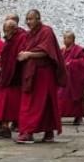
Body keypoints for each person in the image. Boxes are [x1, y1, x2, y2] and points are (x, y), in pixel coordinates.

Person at [16, 9, 67, 144]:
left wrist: (28, 54)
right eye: (27, 19)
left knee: (42, 102)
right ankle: (45, 131)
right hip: (31, 73)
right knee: (31, 102)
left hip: (44, 73)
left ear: (38, 19)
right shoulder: (29, 35)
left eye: (31, 19)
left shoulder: (46, 31)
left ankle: (29, 132)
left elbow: (47, 51)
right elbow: (24, 48)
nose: (28, 22)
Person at [0, 19, 27, 139]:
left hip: (16, 77)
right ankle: (5, 128)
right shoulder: (9, 39)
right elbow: (6, 52)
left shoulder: (22, 37)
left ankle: (20, 126)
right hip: (7, 76)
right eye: (4, 30)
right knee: (3, 103)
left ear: (14, 29)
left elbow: (20, 54)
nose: (5, 33)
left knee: (15, 104)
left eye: (7, 30)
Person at [58, 31, 84, 125]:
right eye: (64, 38)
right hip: (64, 79)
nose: (65, 40)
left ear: (72, 39)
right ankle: (58, 115)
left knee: (76, 98)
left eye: (67, 38)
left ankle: (78, 116)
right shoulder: (62, 50)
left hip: (75, 80)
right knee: (59, 96)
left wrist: (71, 63)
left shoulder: (79, 50)